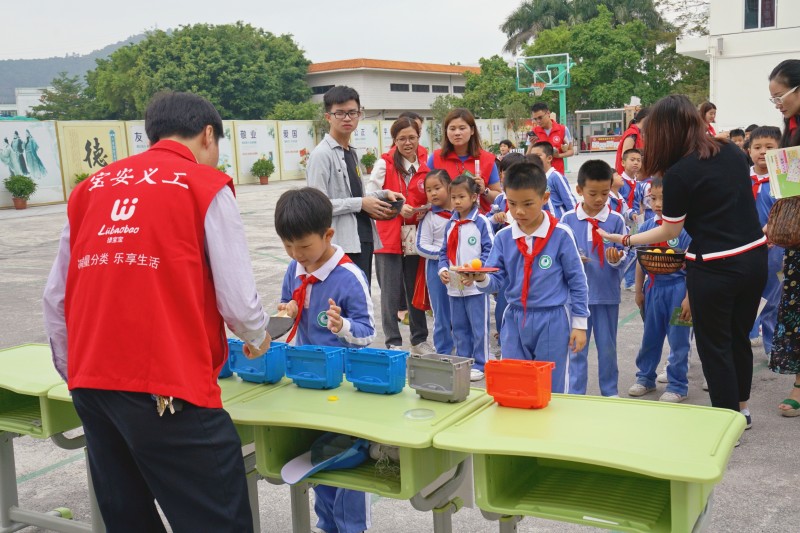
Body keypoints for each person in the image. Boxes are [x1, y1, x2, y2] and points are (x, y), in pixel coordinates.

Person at [41, 91, 271, 532]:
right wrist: (259, 337)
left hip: (93, 385)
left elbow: (56, 297)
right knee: (216, 516)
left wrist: (76, 372)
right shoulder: (203, 185)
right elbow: (239, 301)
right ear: (208, 135)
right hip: (166, 387)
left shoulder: (91, 188)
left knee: (128, 518)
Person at [600, 94, 767, 426]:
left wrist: (627, 239)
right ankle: (742, 410)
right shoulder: (732, 151)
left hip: (715, 267)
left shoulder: (679, 172)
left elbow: (669, 229)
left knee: (714, 345)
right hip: (754, 258)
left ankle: (725, 421)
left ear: (665, 132)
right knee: (737, 339)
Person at [274, 187, 375, 533]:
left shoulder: (349, 277)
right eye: (288, 246)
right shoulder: (295, 268)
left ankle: (352, 527)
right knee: (318, 462)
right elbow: (287, 301)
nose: (296, 254)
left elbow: (368, 332)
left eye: (303, 246)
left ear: (328, 234)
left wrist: (343, 325)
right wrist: (287, 309)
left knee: (345, 462)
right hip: (309, 382)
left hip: (345, 387)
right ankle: (326, 524)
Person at [465, 162, 589, 393]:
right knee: (515, 381)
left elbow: (578, 282)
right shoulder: (503, 237)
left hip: (552, 318)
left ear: (545, 198)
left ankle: (550, 428)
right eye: (512, 204)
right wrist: (480, 279)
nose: (519, 211)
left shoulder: (561, 235)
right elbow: (496, 279)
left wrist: (579, 324)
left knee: (551, 385)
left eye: (527, 204)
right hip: (514, 318)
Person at [306, 85, 399, 287]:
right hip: (339, 245)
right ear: (328, 116)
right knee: (342, 305)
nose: (347, 118)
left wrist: (383, 194)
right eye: (339, 113)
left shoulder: (351, 152)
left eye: (352, 113)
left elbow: (357, 195)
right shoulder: (322, 155)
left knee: (359, 300)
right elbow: (316, 206)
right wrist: (360, 204)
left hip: (362, 238)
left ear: (359, 114)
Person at [560, 160, 628, 397]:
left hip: (606, 294)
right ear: (579, 190)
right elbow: (559, 253)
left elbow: (627, 252)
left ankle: (610, 392)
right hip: (576, 299)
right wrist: (573, 261)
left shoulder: (616, 220)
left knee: (607, 348)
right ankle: (576, 392)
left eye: (604, 193)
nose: (599, 199)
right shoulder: (568, 220)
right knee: (576, 348)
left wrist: (615, 258)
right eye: (592, 193)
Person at [366, 117, 432, 353]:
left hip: (416, 236)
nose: (407, 143)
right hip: (388, 236)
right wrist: (396, 208)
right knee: (390, 293)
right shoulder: (384, 164)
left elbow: (434, 191)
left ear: (418, 137)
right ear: (394, 140)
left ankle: (419, 338)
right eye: (402, 138)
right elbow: (371, 194)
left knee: (416, 289)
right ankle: (393, 341)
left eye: (412, 137)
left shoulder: (426, 162)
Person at [628, 177, 693, 403]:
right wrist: (639, 291)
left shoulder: (687, 230)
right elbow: (640, 261)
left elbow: (695, 267)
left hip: (679, 290)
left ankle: (677, 385)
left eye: (664, 198)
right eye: (653, 198)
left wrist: (689, 297)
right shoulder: (646, 227)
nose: (658, 204)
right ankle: (645, 378)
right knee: (650, 337)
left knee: (679, 340)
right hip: (654, 289)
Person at [767, 59, 800, 417]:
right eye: (773, 99)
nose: (778, 103)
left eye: (781, 96)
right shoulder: (790, 128)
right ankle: (799, 384)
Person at [438, 174, 495, 380]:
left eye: (461, 197)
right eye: (453, 198)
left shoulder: (481, 223)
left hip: (475, 286)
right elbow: (443, 252)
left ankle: (482, 362)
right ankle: (464, 361)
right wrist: (442, 270)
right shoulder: (451, 224)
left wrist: (476, 272)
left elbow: (490, 250)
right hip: (454, 286)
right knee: (459, 326)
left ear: (473, 197)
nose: (457, 202)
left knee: (478, 326)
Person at [746, 126, 782, 354]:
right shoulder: (740, 177)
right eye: (757, 147)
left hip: (774, 247)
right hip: (745, 245)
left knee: (772, 297)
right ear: (748, 150)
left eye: (769, 147)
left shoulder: (784, 180)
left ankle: (771, 347)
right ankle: (747, 335)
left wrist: (770, 231)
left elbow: (788, 210)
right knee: (746, 292)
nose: (762, 152)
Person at [427, 108, 502, 214]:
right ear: (446, 131)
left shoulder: (487, 159)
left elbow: (499, 198)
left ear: (472, 130)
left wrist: (484, 191)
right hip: (443, 222)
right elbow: (425, 193)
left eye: (462, 128)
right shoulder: (435, 158)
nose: (457, 133)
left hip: (477, 223)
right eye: (452, 129)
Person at [416, 170, 455, 355]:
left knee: (462, 311)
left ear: (449, 186)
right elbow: (421, 246)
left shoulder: (461, 212)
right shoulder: (429, 216)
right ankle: (444, 351)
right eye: (428, 190)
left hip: (459, 269)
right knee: (441, 313)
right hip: (436, 270)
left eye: (437, 188)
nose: (432, 193)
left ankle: (466, 349)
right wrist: (444, 255)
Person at [528, 141, 577, 219]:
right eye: (532, 156)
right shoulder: (535, 179)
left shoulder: (555, 176)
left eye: (538, 155)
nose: (534, 159)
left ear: (549, 158)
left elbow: (569, 201)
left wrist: (575, 219)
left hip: (558, 220)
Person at [526, 102, 574, 174]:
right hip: (540, 174)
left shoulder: (563, 129)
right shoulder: (534, 132)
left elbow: (571, 151)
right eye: (535, 119)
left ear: (548, 113)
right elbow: (527, 157)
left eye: (540, 117)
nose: (538, 121)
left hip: (558, 172)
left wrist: (559, 155)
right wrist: (531, 145)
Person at [614, 107, 648, 175]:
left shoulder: (640, 133)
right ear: (646, 118)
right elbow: (625, 155)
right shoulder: (632, 133)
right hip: (629, 175)